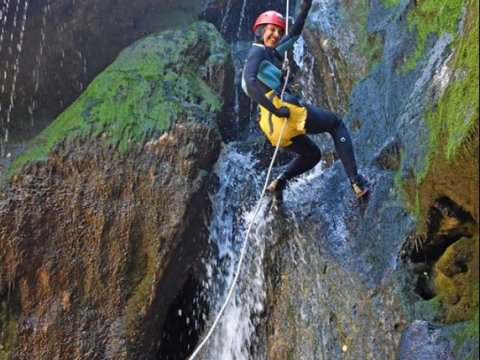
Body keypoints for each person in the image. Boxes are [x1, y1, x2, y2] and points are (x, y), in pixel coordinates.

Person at [241, 0, 369, 201]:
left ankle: (279, 182)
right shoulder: (257, 51)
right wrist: (277, 110)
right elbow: (248, 83)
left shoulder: (270, 53)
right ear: (260, 30)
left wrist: (305, 7)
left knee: (312, 155)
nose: (275, 35)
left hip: (274, 130)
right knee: (336, 124)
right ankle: (356, 181)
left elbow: (293, 35)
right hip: (285, 113)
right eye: (271, 30)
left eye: (278, 31)